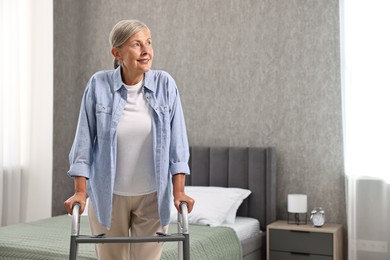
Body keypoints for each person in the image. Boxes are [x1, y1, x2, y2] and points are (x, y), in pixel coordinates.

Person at [64, 19, 194, 260]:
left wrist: (179, 192)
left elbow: (178, 146)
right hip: (108, 197)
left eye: (149, 43)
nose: (146, 51)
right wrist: (80, 193)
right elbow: (83, 142)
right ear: (117, 52)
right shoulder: (98, 85)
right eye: (137, 44)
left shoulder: (165, 84)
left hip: (153, 198)